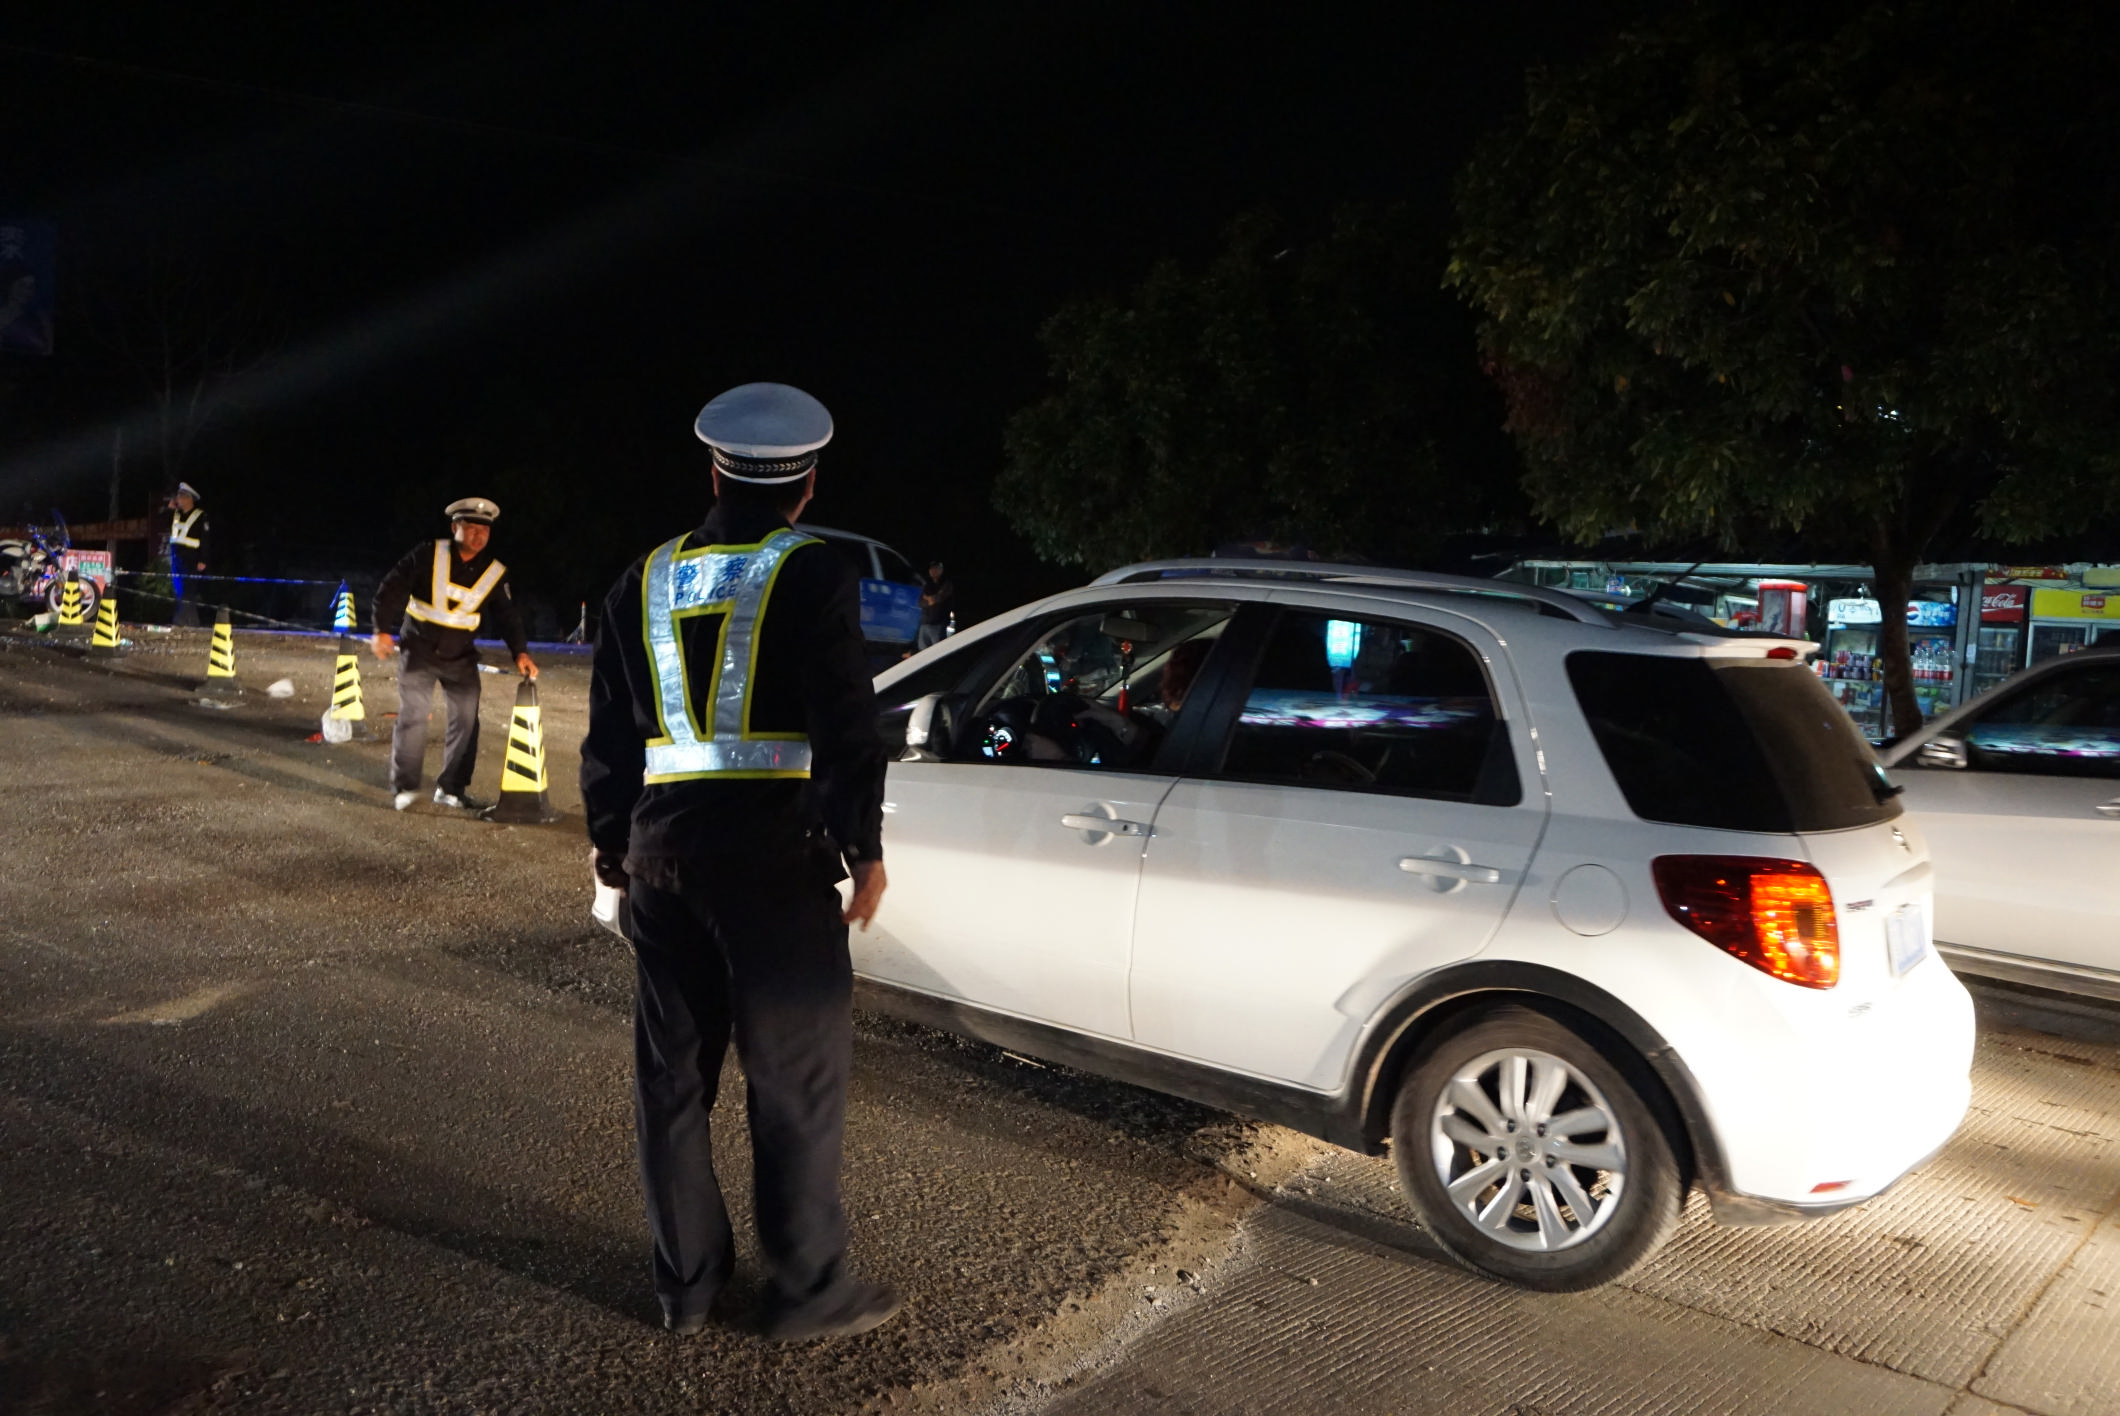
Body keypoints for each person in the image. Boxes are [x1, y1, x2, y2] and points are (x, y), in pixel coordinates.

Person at [579, 381, 898, 1342]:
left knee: (672, 1081)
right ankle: (807, 1291)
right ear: (807, 484)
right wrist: (864, 847)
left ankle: (685, 1287)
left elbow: (608, 738)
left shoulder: (641, 578)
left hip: (661, 859)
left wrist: (611, 847)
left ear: (713, 473)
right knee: (793, 1079)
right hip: (772, 865)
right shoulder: (814, 571)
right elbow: (846, 720)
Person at [371, 497, 537, 813]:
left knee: (466, 720)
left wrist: (520, 653)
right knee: (414, 716)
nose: (478, 535)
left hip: (461, 657)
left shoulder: (494, 572)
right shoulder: (426, 554)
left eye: (484, 530)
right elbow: (390, 589)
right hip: (419, 650)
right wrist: (381, 629)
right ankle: (405, 788)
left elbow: (508, 617)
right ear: (454, 527)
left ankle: (451, 789)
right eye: (471, 527)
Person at [165, 482, 210, 627]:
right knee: (179, 591)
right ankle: (190, 622)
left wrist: (203, 559)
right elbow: (163, 524)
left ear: (189, 498)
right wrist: (169, 510)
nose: (178, 499)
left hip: (192, 558)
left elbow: (205, 539)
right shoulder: (176, 514)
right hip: (176, 558)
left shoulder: (200, 515)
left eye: (180, 496)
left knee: (188, 591)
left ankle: (183, 621)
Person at [915, 560, 953, 650]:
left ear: (941, 570)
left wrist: (929, 599)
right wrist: (930, 601)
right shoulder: (927, 585)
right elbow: (920, 602)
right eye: (931, 569)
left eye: (936, 569)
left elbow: (939, 598)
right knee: (923, 649)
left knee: (937, 649)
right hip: (925, 623)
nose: (933, 571)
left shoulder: (946, 584)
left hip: (939, 624)